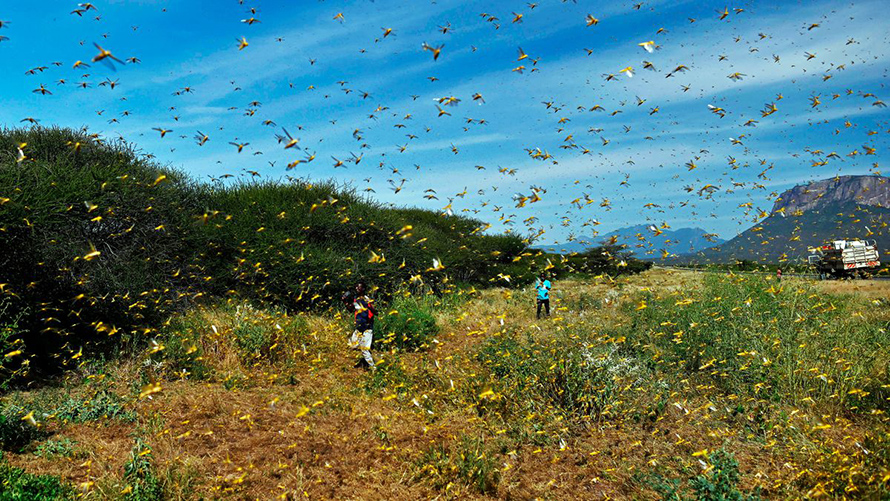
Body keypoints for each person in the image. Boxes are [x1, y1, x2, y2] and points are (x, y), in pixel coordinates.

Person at [342, 281, 376, 369]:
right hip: (359, 327)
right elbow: (351, 309)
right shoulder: (356, 299)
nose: (357, 288)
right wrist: (345, 301)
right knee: (353, 344)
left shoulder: (366, 299)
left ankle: (373, 368)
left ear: (363, 289)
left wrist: (370, 308)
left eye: (359, 287)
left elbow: (374, 311)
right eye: (356, 287)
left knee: (364, 350)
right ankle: (366, 358)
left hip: (367, 327)